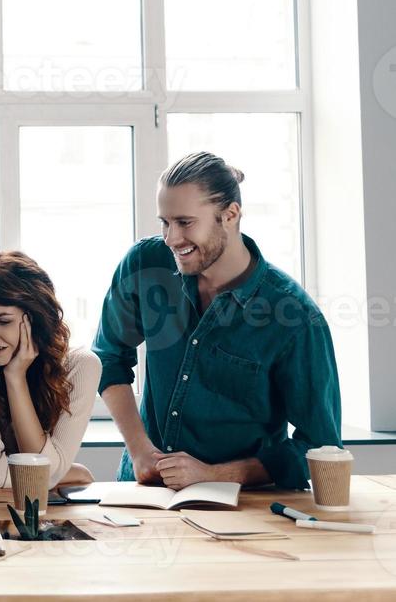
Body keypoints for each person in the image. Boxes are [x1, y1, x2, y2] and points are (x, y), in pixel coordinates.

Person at [93, 152, 342, 490]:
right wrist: (139, 450)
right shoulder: (145, 264)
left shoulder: (293, 316)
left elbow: (320, 448)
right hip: (144, 494)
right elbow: (108, 357)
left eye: (184, 222)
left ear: (230, 215)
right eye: (164, 222)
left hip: (244, 507)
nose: (171, 239)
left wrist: (215, 475)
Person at [0, 251, 98, 489]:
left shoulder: (82, 366)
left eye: (3, 321)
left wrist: (15, 377)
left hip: (46, 514)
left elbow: (45, 473)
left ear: (35, 319)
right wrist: (68, 473)